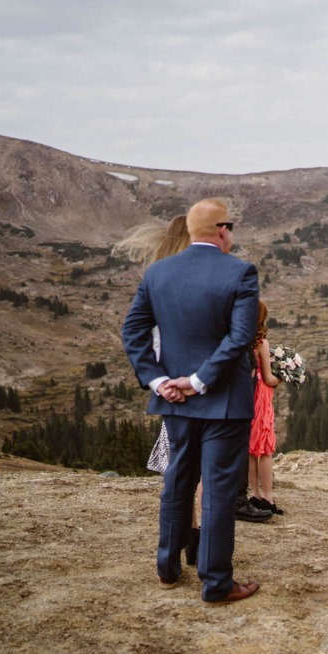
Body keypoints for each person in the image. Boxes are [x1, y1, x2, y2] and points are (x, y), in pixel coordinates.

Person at [122, 197, 261, 604]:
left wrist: (159, 379)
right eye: (230, 227)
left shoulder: (158, 272)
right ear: (222, 230)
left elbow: (133, 332)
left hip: (175, 403)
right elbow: (239, 339)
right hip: (224, 402)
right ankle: (216, 583)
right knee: (217, 489)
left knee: (177, 481)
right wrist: (199, 380)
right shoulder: (241, 273)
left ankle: (167, 570)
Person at [113, 215, 207, 564]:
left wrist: (161, 382)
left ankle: (177, 550)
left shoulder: (156, 280)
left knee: (180, 472)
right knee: (203, 472)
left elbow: (141, 337)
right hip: (201, 390)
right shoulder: (200, 280)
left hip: (171, 393)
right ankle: (198, 545)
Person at [248, 300, 283, 514]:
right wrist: (281, 378)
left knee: (251, 449)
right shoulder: (261, 342)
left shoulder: (242, 340)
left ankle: (254, 494)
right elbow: (269, 378)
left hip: (246, 392)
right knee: (265, 449)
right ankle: (268, 497)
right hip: (260, 393)